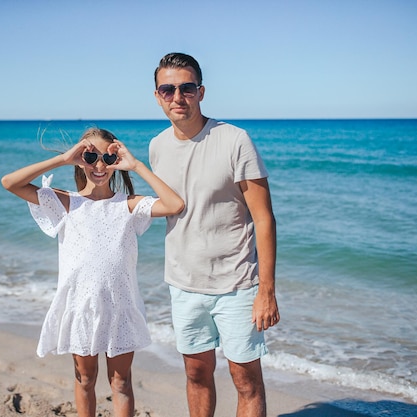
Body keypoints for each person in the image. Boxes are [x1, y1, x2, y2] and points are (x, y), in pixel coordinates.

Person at [1, 127, 184, 417]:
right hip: (81, 308)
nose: (99, 165)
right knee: (85, 379)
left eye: (108, 159)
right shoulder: (65, 202)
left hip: (121, 307)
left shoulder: (129, 204)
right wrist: (62, 159)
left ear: (117, 162)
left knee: (121, 382)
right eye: (90, 156)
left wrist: (135, 165)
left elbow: (176, 204)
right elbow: (10, 182)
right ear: (80, 159)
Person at [149, 52, 280, 417]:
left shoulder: (235, 140)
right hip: (183, 283)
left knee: (245, 379)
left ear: (201, 91)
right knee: (195, 373)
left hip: (237, 284)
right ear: (157, 96)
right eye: (168, 89)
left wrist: (266, 290)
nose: (178, 96)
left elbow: (264, 218)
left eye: (187, 87)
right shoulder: (156, 147)